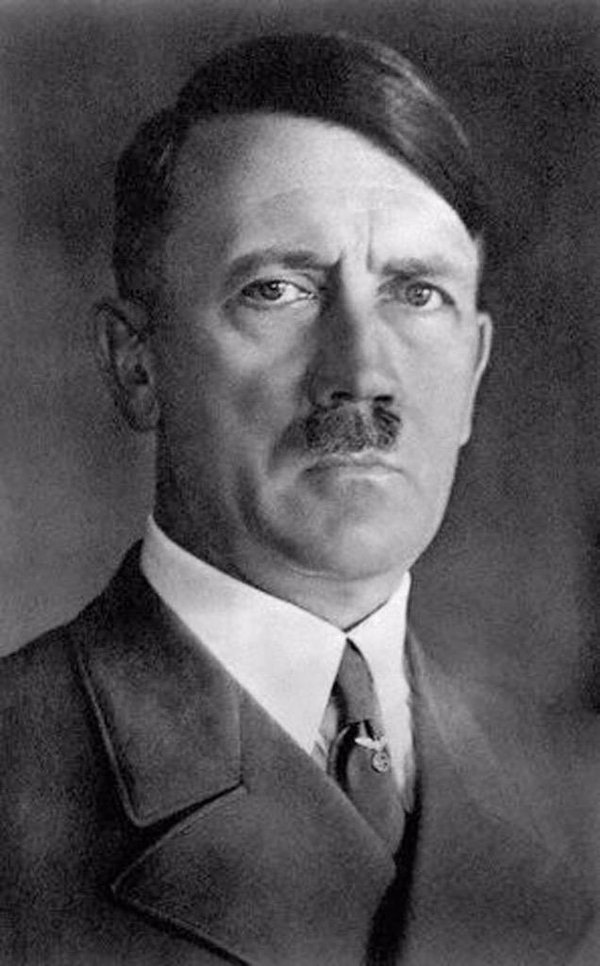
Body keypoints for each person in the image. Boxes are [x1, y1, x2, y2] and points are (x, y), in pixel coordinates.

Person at [3, 30, 578, 966]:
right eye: (277, 290)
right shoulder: (18, 770)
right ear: (136, 364)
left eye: (417, 294)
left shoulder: (572, 790)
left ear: (473, 374)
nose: (363, 373)